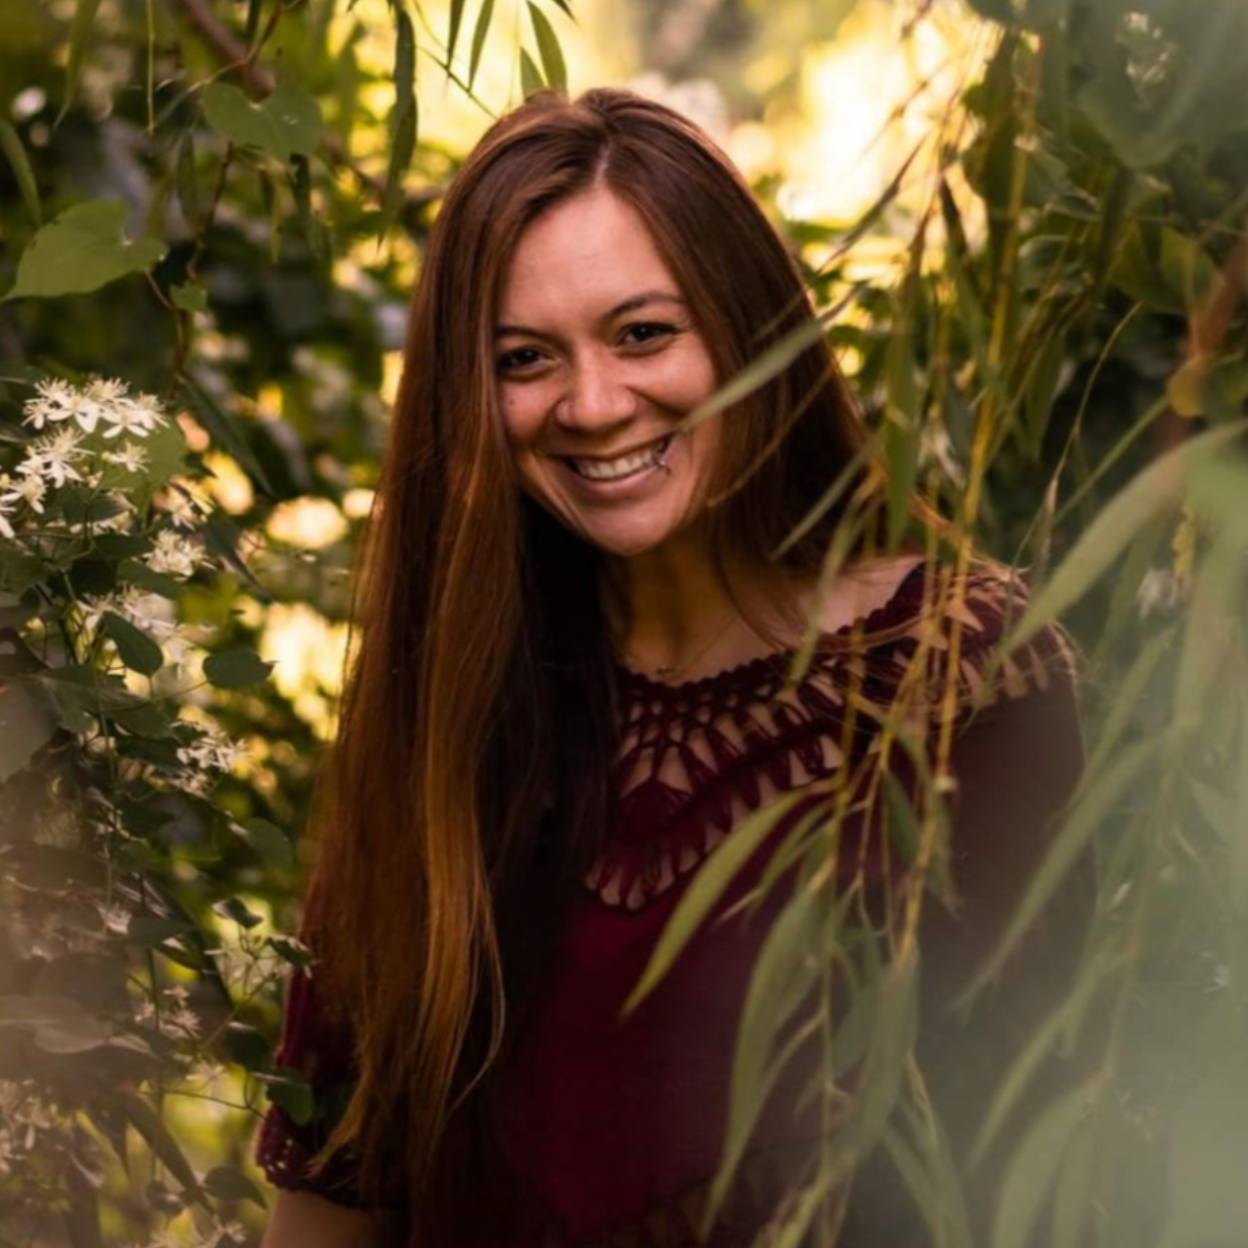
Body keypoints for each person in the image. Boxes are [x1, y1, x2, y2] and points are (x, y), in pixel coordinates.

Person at [256, 87, 1091, 1248]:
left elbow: (1048, 1163)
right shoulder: (455, 704)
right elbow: (335, 1181)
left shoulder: (961, 680)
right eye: (524, 358)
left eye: (645, 332)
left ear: (749, 330)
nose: (593, 405)